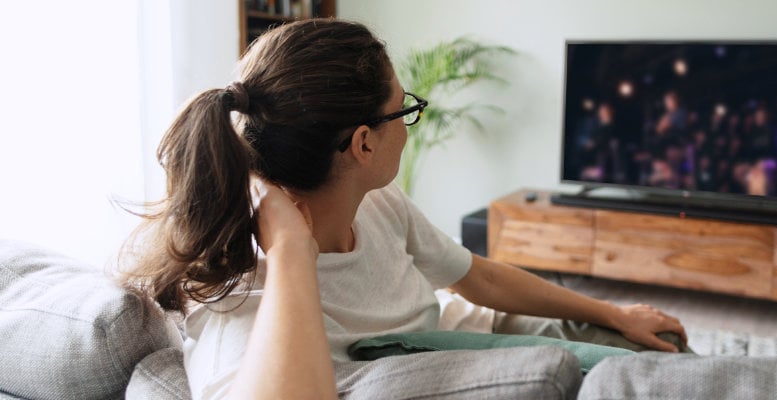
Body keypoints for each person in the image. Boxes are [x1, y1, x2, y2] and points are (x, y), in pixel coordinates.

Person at [120, 19, 688, 399]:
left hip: (459, 326)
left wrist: (614, 314)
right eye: (404, 110)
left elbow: (475, 275)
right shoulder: (241, 288)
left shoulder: (378, 200)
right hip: (444, 361)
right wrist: (293, 248)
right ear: (364, 143)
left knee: (658, 346)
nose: (410, 124)